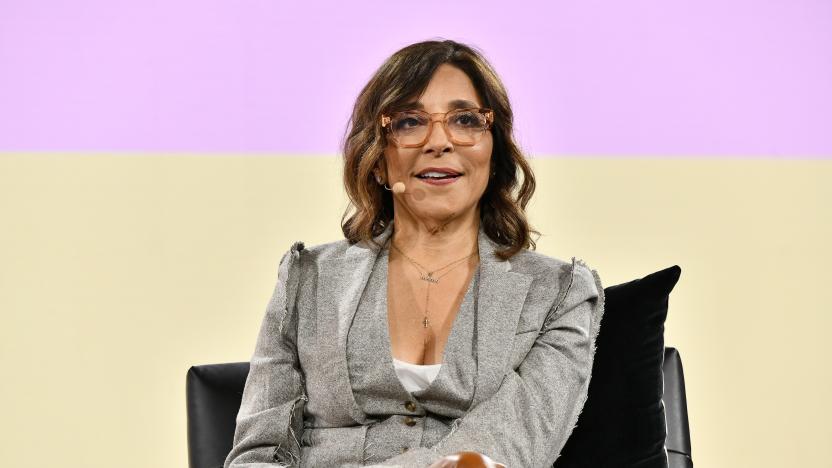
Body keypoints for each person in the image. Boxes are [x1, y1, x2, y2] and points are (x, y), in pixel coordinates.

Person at [224, 39, 605, 468]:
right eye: (409, 122)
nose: (439, 141)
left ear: (493, 151)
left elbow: (511, 444)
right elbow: (258, 454)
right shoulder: (306, 278)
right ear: (379, 158)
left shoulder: (561, 293)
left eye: (465, 120)